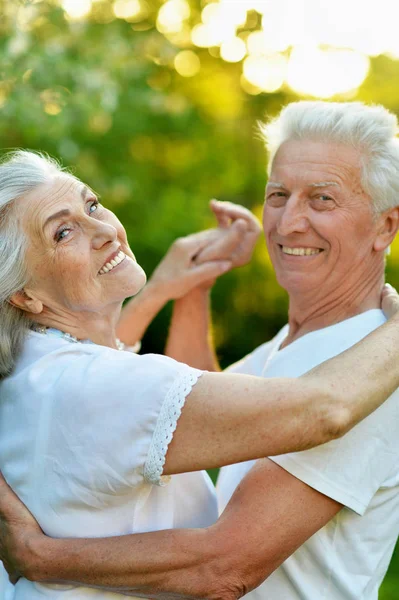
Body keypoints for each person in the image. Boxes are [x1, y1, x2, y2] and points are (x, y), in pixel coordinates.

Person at [1, 98, 399, 600]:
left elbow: (226, 565)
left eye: (322, 199)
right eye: (278, 194)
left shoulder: (372, 373)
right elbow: (185, 412)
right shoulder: (296, 350)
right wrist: (193, 290)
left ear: (386, 226)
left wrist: (40, 557)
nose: (288, 222)